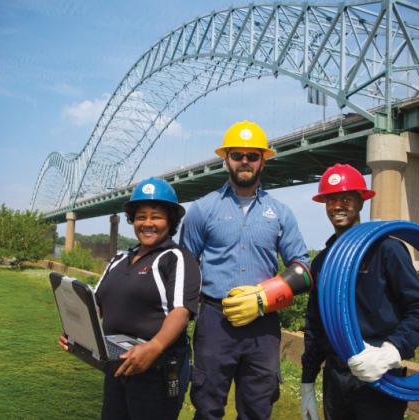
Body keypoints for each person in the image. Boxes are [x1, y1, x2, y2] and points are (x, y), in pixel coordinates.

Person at [180, 120, 310, 420]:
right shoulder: (202, 209)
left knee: (257, 407)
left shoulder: (280, 213)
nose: (245, 162)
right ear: (226, 158)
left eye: (252, 156)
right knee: (208, 404)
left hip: (263, 325)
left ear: (263, 160)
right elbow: (185, 269)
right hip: (215, 320)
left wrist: (265, 296)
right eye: (238, 155)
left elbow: (302, 269)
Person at [301, 163, 419, 420]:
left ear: (361, 202)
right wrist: (307, 381)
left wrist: (391, 351)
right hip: (336, 379)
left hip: (379, 378)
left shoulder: (386, 251)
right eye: (331, 200)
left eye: (346, 199)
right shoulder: (323, 262)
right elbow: (315, 326)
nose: (337, 206)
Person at [58, 177, 201, 420]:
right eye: (141, 216)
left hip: (157, 369)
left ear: (170, 221)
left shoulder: (175, 257)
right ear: (132, 219)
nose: (147, 223)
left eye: (156, 216)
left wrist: (153, 347)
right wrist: (79, 337)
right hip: (117, 365)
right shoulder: (119, 258)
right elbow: (95, 305)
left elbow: (181, 311)